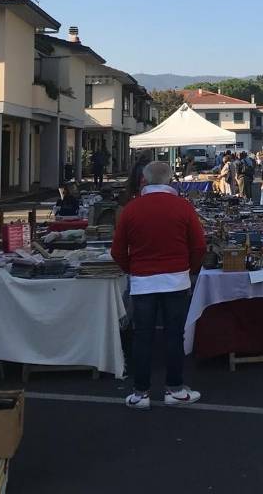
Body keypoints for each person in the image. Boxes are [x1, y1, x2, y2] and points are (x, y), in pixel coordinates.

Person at [111, 161, 206, 410]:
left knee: (143, 337)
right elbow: (198, 246)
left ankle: (140, 392)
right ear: (170, 180)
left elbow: (117, 249)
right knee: (174, 335)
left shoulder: (132, 209)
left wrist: (132, 269)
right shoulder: (183, 207)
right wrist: (190, 269)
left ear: (144, 180)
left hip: (143, 281)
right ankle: (174, 388)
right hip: (176, 279)